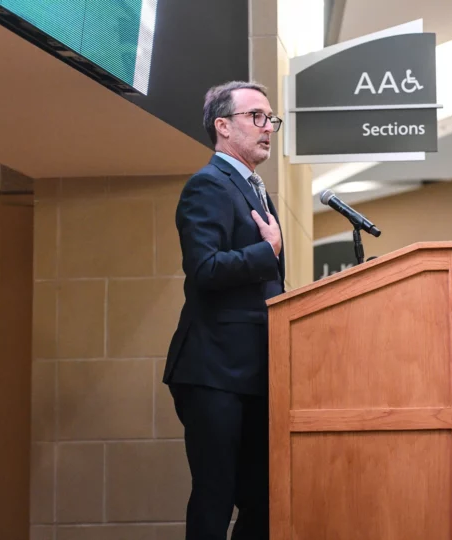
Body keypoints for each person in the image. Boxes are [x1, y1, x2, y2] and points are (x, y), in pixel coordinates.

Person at [163, 80, 285, 540]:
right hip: (213, 370)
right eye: (256, 116)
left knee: (265, 498)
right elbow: (204, 268)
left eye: (270, 118)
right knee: (215, 495)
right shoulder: (208, 185)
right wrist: (266, 251)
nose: (267, 127)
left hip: (255, 372)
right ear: (223, 126)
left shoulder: (256, 191)